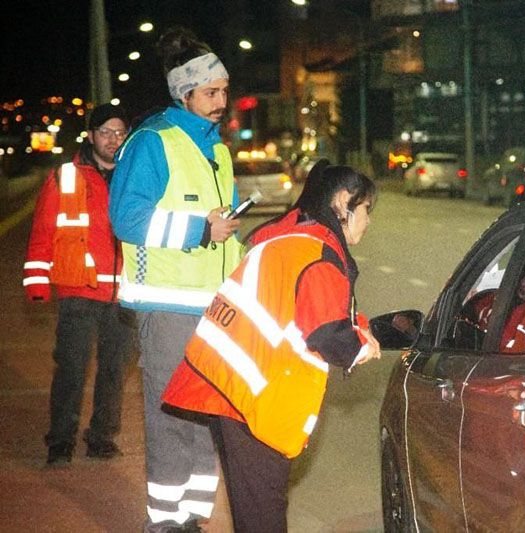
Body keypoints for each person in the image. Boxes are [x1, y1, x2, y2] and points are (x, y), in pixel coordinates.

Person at [161, 160, 382, 532]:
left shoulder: (290, 238)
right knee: (263, 510)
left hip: (230, 382)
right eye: (366, 210)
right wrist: (362, 347)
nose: (368, 220)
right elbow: (327, 334)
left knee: (253, 504)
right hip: (251, 395)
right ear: (343, 203)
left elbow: (301, 308)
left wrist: (359, 326)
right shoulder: (318, 253)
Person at [108, 27, 243, 532]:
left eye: (224, 91)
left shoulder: (219, 152)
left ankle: (192, 520)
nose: (221, 102)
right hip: (165, 309)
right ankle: (164, 525)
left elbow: (222, 236)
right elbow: (127, 218)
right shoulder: (151, 143)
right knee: (170, 423)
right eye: (211, 93)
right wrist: (199, 227)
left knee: (207, 420)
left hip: (213, 311)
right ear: (183, 93)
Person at [23, 103, 135, 466]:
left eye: (120, 133)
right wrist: (37, 281)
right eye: (106, 132)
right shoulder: (66, 176)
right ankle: (61, 441)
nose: (113, 139)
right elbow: (43, 230)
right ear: (91, 136)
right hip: (78, 290)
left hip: (123, 293)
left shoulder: (134, 177)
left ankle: (102, 437)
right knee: (71, 368)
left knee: (114, 370)